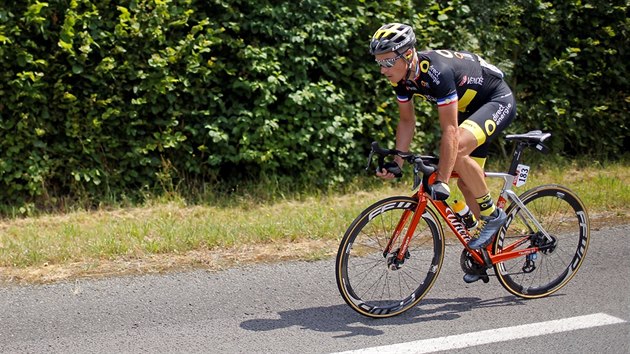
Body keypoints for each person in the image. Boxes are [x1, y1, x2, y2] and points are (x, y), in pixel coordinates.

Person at [369, 23, 516, 283]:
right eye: (379, 63)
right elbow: (406, 121)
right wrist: (397, 162)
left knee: (455, 150)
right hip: (470, 111)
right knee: (469, 185)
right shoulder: (402, 79)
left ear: (407, 54)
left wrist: (443, 181)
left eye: (388, 62)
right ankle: (485, 249)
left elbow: (449, 130)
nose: (383, 70)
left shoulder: (436, 71)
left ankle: (493, 217)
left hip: (495, 100)